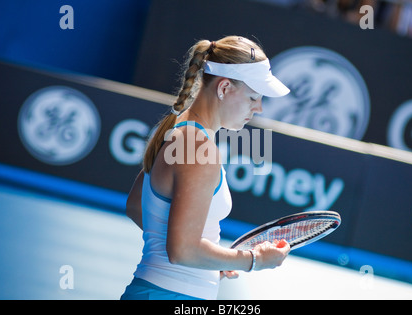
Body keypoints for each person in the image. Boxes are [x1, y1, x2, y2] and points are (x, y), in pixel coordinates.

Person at [121, 35, 291, 300]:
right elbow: (183, 251)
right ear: (224, 88)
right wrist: (253, 259)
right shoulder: (199, 150)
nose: (258, 108)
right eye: (253, 98)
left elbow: (135, 205)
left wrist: (210, 262)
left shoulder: (174, 131)